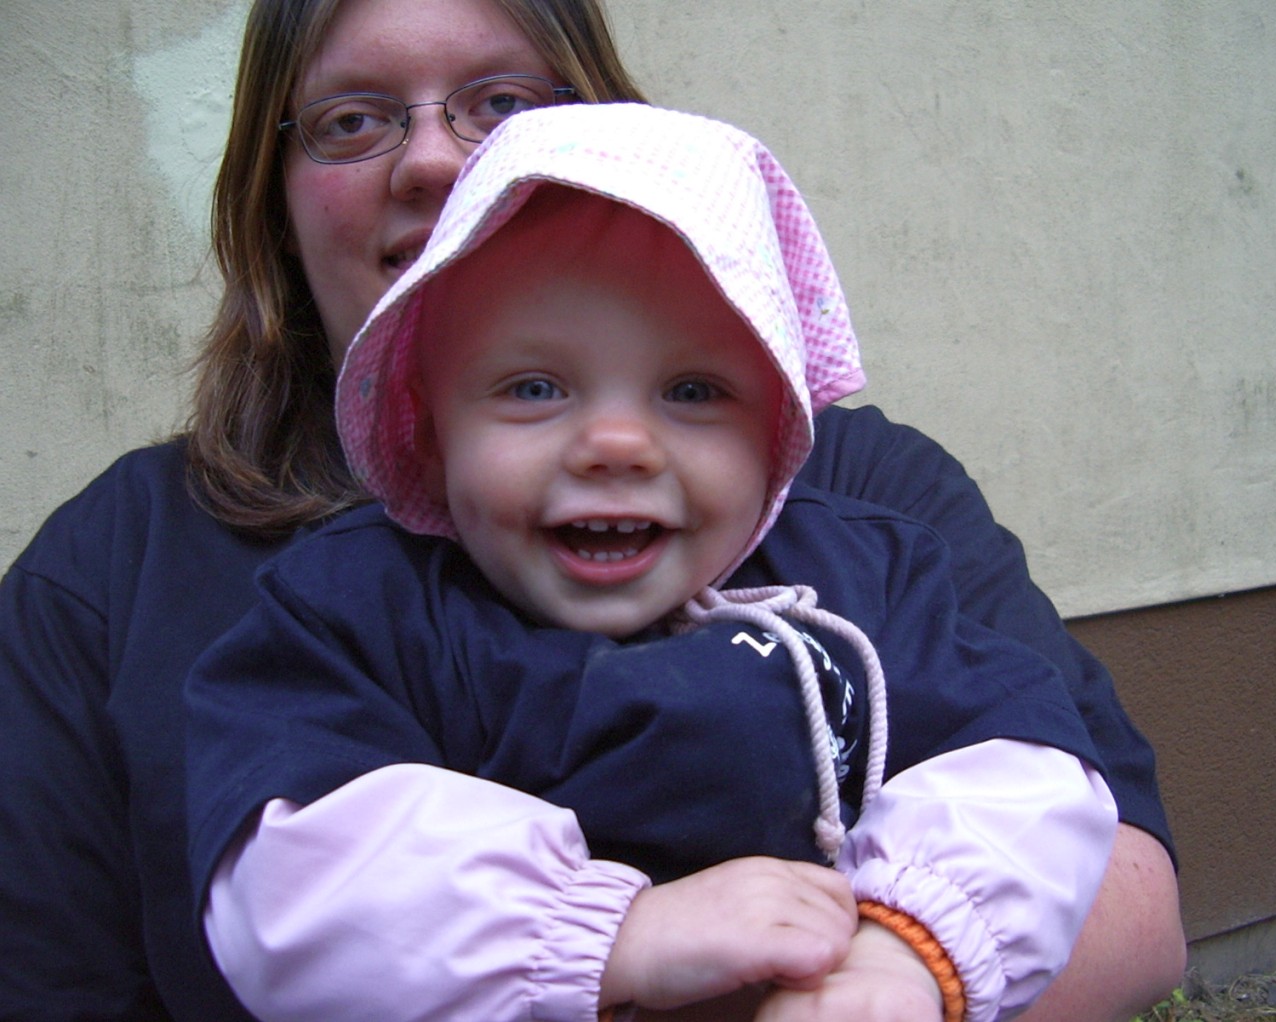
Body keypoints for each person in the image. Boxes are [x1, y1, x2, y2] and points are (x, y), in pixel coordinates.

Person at [0, 1, 1183, 1020]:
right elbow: (307, 860)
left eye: (693, 390)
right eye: (352, 118)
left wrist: (906, 950)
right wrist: (604, 935)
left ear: (780, 415)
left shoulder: (872, 549)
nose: (618, 441)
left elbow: (1034, 784)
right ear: (419, 422)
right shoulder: (334, 603)